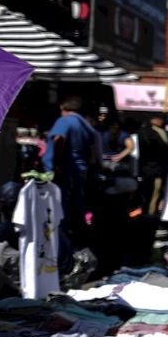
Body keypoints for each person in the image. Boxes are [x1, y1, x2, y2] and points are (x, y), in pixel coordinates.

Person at [42, 96, 101, 238]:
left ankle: (58, 239)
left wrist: (57, 165)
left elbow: (59, 139)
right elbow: (92, 154)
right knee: (73, 208)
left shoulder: (64, 121)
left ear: (63, 108)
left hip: (62, 172)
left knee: (57, 208)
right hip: (79, 172)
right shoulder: (87, 126)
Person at [137, 115, 168, 217]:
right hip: (155, 169)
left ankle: (147, 215)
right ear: (156, 120)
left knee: (149, 195)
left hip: (147, 169)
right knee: (154, 194)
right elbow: (164, 148)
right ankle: (150, 217)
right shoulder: (153, 132)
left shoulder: (142, 131)